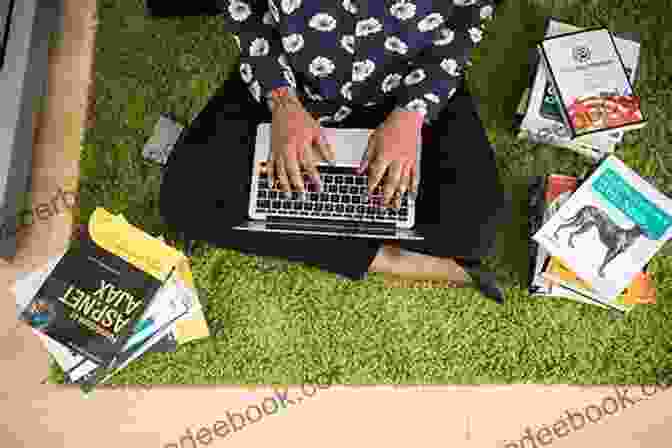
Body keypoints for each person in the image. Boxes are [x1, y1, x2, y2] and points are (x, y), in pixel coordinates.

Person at [157, 0, 509, 302]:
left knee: (479, 231)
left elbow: (466, 18)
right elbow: (245, 9)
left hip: (405, 87)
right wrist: (281, 101)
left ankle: (374, 246)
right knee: (186, 198)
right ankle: (395, 260)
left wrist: (411, 115)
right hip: (294, 86)